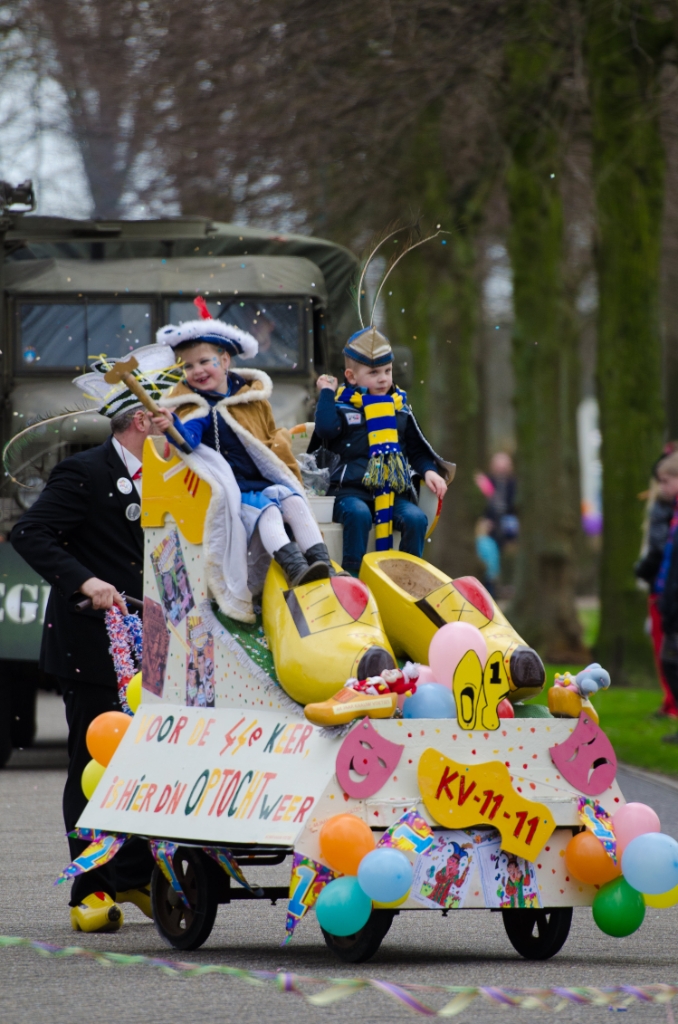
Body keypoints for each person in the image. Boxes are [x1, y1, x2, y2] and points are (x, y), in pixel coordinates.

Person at [9, 347, 173, 932]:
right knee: (94, 763)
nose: (176, 424)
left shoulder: (176, 476)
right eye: (166, 414)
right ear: (140, 421)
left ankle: (132, 876)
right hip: (91, 648)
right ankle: (90, 887)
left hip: (157, 650)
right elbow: (30, 531)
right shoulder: (86, 473)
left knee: (151, 767)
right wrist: (85, 579)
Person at [152, 300, 336, 590]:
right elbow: (188, 442)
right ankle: (296, 569)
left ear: (224, 360)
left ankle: (324, 565)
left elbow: (268, 436)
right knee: (270, 514)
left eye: (204, 361)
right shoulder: (199, 409)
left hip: (263, 481)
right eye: (188, 366)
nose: (197, 370)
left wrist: (280, 446)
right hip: (237, 490)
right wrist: (172, 424)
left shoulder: (251, 399)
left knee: (294, 502)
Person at [310, 325, 452, 575]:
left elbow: (417, 451)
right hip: (350, 493)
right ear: (351, 377)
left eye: (387, 371)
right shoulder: (343, 409)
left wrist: (429, 471)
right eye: (374, 372)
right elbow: (324, 430)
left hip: (392, 493)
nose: (384, 378)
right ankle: (353, 576)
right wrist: (326, 395)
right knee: (358, 514)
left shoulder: (400, 409)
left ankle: (407, 579)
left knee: (415, 519)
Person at [635, 449, 678, 719]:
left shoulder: (665, 510)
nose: (660, 488)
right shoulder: (665, 507)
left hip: (666, 591)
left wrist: (644, 570)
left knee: (669, 655)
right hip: (665, 590)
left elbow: (661, 550)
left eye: (665, 481)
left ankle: (673, 705)